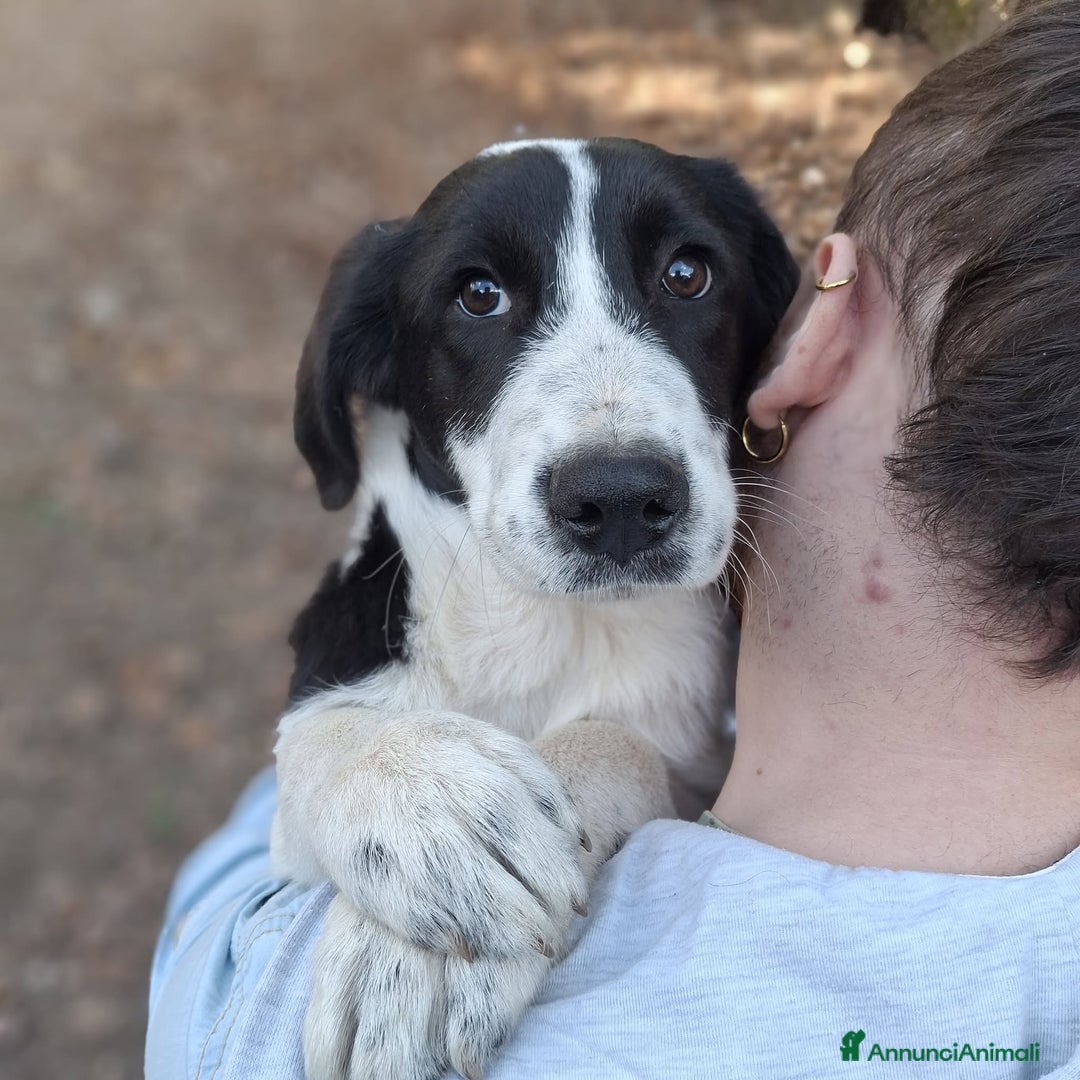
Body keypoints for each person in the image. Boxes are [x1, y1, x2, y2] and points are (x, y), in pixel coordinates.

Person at [146, 5, 1080, 1076]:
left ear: (788, 335)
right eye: (481, 293)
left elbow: (214, 930)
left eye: (685, 276)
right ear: (374, 379)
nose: (614, 441)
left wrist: (582, 779)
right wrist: (349, 750)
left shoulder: (251, 1002)